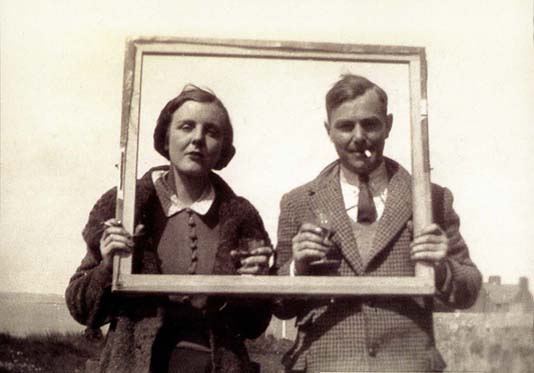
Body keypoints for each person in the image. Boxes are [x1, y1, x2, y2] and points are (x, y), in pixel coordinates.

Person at [274, 74, 482, 372]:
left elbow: (470, 289)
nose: (359, 137)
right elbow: (279, 306)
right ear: (328, 130)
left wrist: (441, 269)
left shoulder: (431, 199)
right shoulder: (298, 203)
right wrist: (298, 267)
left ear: (389, 125)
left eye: (370, 124)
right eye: (345, 126)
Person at [66, 84, 273, 373]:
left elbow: (253, 327)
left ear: (224, 148)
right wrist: (107, 267)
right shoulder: (124, 208)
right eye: (186, 127)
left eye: (212, 131)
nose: (197, 139)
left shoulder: (242, 216)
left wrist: (257, 287)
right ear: (165, 137)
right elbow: (80, 308)